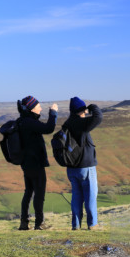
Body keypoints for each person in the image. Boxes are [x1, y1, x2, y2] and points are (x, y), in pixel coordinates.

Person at [15, 95, 58, 230]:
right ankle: (39, 223)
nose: (40, 108)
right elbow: (49, 129)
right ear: (32, 108)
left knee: (28, 192)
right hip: (35, 163)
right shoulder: (29, 122)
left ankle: (24, 222)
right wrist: (53, 113)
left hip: (26, 163)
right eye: (38, 106)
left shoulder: (21, 121)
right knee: (39, 194)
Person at [61, 96, 103, 230]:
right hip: (85, 167)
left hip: (72, 168)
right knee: (90, 195)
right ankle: (92, 224)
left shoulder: (67, 124)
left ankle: (76, 225)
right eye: (84, 111)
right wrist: (92, 107)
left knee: (76, 197)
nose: (85, 113)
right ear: (80, 110)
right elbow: (98, 117)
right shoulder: (80, 123)